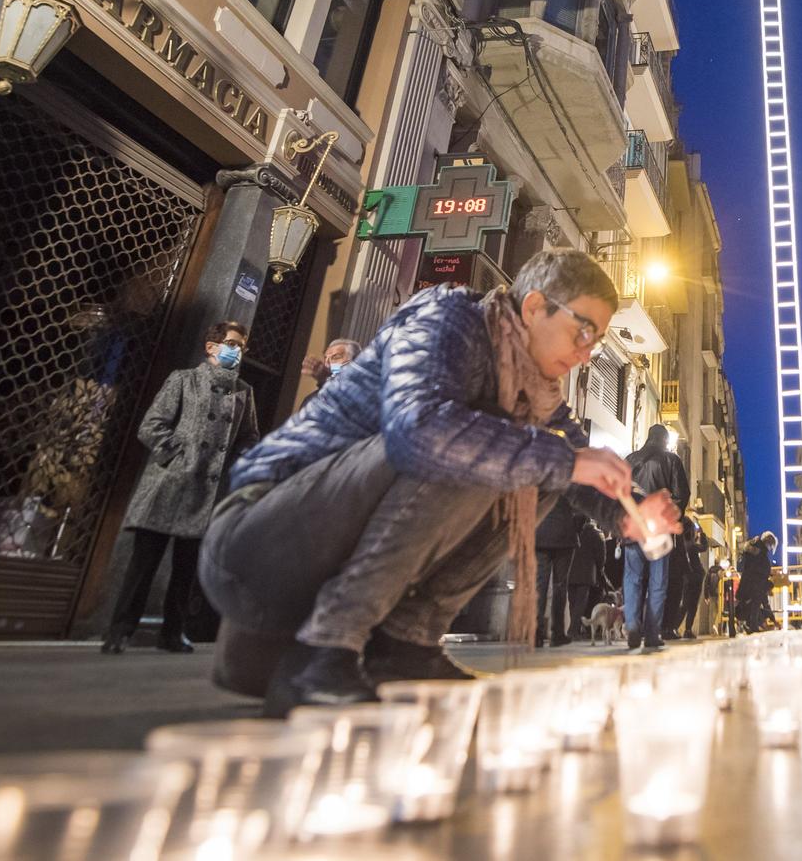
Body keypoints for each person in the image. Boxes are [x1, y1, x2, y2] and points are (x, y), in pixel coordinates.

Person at [197, 249, 680, 714]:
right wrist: (564, 459)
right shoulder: (445, 321)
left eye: (596, 340)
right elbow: (420, 430)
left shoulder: (534, 388)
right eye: (584, 330)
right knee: (474, 444)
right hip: (260, 540)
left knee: (541, 463)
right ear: (534, 308)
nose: (587, 352)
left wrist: (630, 512)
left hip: (315, 555)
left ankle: (407, 644)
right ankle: (323, 651)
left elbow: (573, 464)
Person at [102, 321, 259, 655]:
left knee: (187, 570)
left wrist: (238, 463)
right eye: (232, 343)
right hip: (169, 482)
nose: (238, 350)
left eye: (242, 346)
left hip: (208, 489)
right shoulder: (184, 380)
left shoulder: (244, 391)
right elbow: (151, 425)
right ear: (212, 346)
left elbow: (248, 437)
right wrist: (178, 455)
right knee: (143, 565)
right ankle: (120, 630)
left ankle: (173, 632)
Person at [621, 423, 689, 651]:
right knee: (658, 581)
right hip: (658, 527)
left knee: (633, 578)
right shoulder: (672, 461)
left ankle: (632, 626)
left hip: (633, 526)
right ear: (664, 440)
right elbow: (681, 495)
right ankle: (651, 633)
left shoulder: (630, 460)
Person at [533, 494, 582, 647]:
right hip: (564, 536)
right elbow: (581, 509)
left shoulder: (539, 478)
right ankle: (557, 633)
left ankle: (536, 634)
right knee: (560, 587)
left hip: (540, 536)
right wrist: (576, 530)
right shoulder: (568, 478)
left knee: (539, 586)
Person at [664, 516, 706, 640]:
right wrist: (702, 533)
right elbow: (704, 547)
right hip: (694, 577)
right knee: (690, 604)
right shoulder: (691, 545)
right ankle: (679, 628)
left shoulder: (683, 545)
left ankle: (674, 627)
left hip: (688, 577)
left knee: (685, 604)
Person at [567, 513, 606, 641]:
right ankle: (573, 631)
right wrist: (600, 570)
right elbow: (601, 557)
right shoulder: (596, 534)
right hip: (586, 574)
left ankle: (574, 630)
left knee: (573, 603)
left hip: (570, 573)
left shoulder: (572, 531)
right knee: (580, 604)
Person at [735, 531, 776, 632]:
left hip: (746, 583)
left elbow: (752, 567)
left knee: (756, 602)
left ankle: (751, 624)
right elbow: (761, 570)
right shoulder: (761, 552)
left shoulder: (754, 549)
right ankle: (753, 625)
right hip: (755, 584)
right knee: (758, 600)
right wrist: (769, 579)